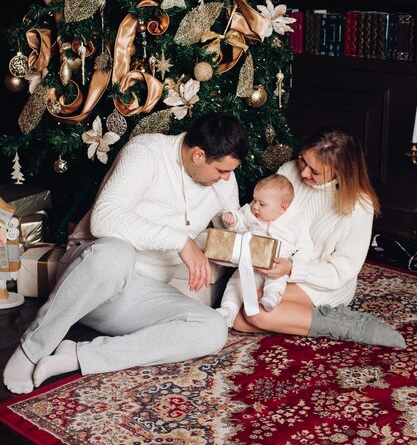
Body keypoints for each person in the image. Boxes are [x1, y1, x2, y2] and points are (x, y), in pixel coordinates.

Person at [3, 113, 248, 394]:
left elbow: (227, 227)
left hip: (141, 295)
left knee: (213, 328)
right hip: (93, 276)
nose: (227, 178)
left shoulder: (223, 181)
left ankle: (79, 356)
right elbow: (104, 219)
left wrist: (238, 229)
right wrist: (181, 242)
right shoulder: (146, 152)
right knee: (116, 253)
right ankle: (31, 349)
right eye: (221, 171)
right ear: (198, 155)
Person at [232, 125, 406, 349]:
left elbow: (342, 270)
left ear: (340, 172)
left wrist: (293, 269)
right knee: (238, 319)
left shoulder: (358, 207)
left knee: (252, 314)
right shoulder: (289, 171)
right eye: (303, 160)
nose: (303, 172)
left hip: (323, 280)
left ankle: (346, 325)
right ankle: (304, 317)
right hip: (281, 269)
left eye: (314, 172)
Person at [218, 174, 313, 326]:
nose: (255, 206)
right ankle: (228, 310)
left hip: (276, 264)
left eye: (262, 204)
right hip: (250, 262)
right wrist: (233, 219)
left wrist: (292, 265)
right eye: (254, 200)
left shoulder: (295, 222)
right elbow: (241, 219)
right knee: (236, 283)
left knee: (276, 281)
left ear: (282, 208)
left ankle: (272, 297)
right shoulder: (251, 212)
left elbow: (306, 247)